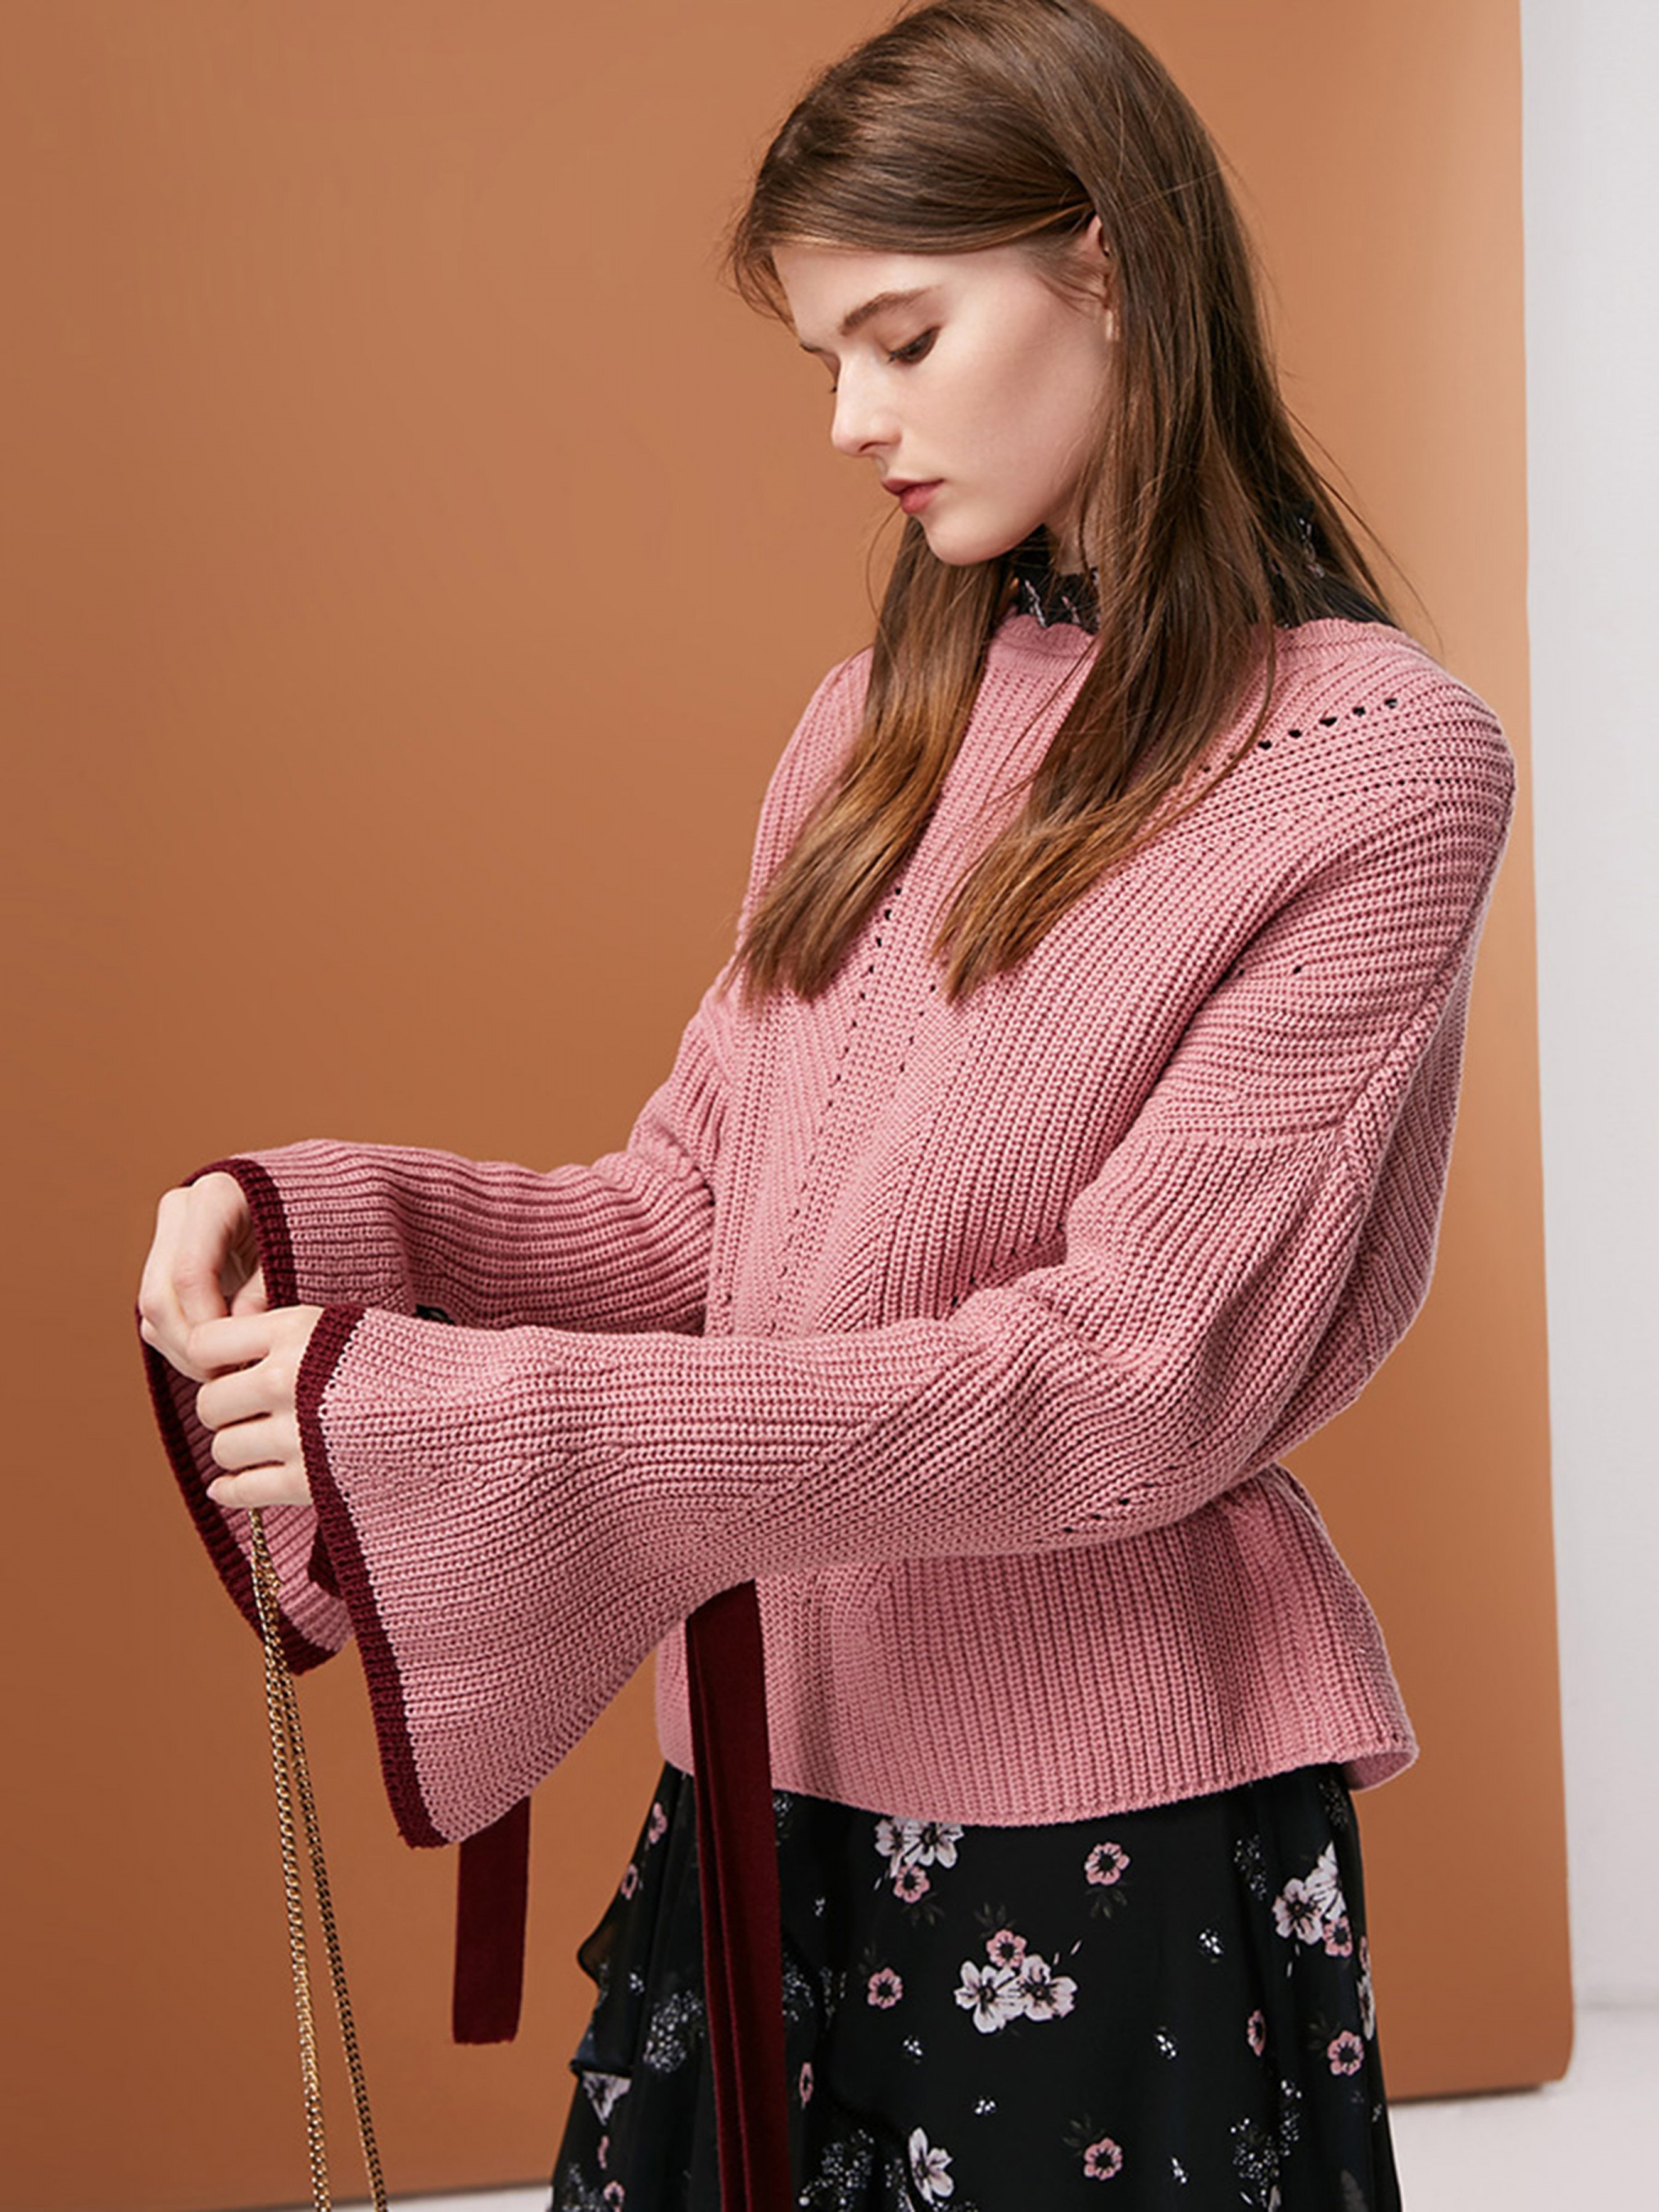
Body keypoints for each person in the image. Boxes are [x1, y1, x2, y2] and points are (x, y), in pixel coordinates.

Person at [135, 1, 1518, 2205]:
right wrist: (316, 1225)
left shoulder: (1374, 767)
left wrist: (494, 1424)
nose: (855, 420)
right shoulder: (878, 720)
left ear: (1105, 265)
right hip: (765, 1770)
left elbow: (1119, 1390)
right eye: (825, 359)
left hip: (1103, 1840)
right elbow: (693, 1222)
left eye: (904, 334)